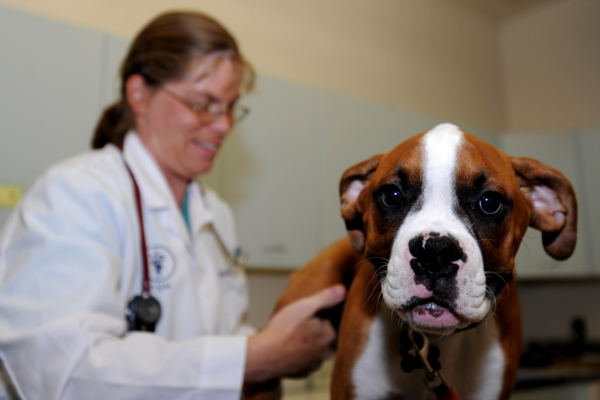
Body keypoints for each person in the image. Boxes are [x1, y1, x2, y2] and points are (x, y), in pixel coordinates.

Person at [0, 11, 345, 400]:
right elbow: (63, 375)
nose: (223, 125)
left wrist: (277, 339)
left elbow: (220, 334)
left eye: (230, 106)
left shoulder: (215, 213)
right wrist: (254, 358)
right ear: (139, 95)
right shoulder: (76, 193)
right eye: (203, 104)